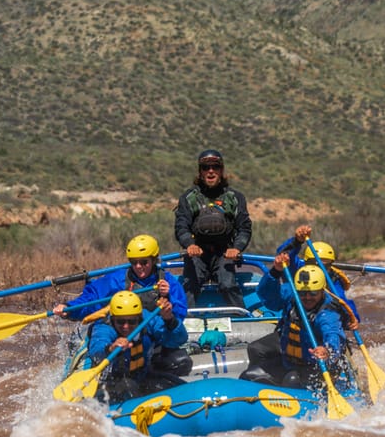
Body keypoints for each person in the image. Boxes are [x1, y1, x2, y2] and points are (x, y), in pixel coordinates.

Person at [53, 234, 192, 375]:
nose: (138, 266)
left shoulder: (164, 293)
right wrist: (69, 309)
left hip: (152, 340)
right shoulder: (114, 294)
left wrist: (169, 313)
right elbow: (92, 298)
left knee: (181, 362)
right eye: (133, 262)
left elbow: (178, 330)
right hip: (117, 343)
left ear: (154, 260)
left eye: (144, 262)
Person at [239, 254, 350, 389]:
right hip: (289, 359)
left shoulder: (327, 314)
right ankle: (265, 392)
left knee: (291, 380)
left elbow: (333, 335)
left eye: (313, 293)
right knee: (250, 370)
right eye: (303, 293)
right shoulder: (292, 294)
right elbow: (266, 296)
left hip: (316, 365)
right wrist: (275, 272)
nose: (307, 297)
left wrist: (327, 351)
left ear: (322, 291)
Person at [174, 149, 252, 310]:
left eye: (215, 167)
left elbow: (244, 227)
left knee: (227, 284)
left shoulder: (235, 198)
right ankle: (184, 323)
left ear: (221, 170)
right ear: (200, 172)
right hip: (197, 253)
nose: (210, 171)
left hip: (224, 253)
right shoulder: (188, 198)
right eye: (205, 167)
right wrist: (189, 244)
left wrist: (236, 248)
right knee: (189, 285)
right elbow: (181, 226)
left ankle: (242, 318)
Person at [86, 291, 189, 402]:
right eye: (120, 321)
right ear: (113, 319)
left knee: (175, 384)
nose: (126, 326)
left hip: (143, 375)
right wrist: (111, 348)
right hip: (111, 383)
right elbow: (97, 350)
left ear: (139, 318)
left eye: (131, 321)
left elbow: (179, 339)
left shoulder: (148, 320)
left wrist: (170, 320)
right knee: (129, 387)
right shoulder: (104, 327)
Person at [276, 224, 360, 324]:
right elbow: (283, 254)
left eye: (326, 265)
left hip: (319, 321)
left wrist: (352, 317)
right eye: (315, 264)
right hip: (296, 318)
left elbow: (341, 300)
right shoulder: (297, 269)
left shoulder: (332, 279)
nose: (320, 269)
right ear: (306, 262)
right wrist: (296, 241)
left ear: (331, 265)